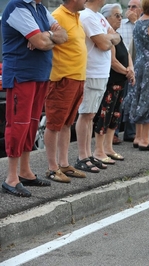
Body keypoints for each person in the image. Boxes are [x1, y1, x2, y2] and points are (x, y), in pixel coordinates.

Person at [1, 0, 67, 197]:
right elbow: (39, 42)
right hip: (22, 74)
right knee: (18, 124)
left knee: (32, 123)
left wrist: (47, 35)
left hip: (39, 74)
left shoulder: (40, 9)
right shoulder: (17, 7)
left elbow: (64, 35)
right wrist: (45, 37)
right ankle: (11, 178)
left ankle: (25, 171)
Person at [44, 0, 88, 183]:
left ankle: (63, 164)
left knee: (67, 123)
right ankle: (52, 168)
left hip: (77, 78)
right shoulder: (57, 16)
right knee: (54, 124)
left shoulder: (76, 16)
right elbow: (47, 41)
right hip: (62, 79)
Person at [74, 0, 121, 173]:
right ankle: (82, 156)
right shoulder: (87, 16)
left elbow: (115, 37)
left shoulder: (99, 16)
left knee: (91, 115)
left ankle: (88, 155)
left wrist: (108, 38)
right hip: (91, 71)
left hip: (101, 73)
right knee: (86, 114)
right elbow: (104, 43)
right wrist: (108, 38)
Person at [92, 3, 135, 162]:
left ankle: (109, 148)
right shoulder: (106, 36)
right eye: (117, 15)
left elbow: (127, 53)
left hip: (121, 82)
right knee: (105, 114)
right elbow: (113, 61)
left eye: (120, 15)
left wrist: (131, 68)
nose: (120, 18)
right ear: (106, 18)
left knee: (115, 115)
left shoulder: (117, 35)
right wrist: (127, 71)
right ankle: (99, 150)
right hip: (111, 81)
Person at [122, 0, 149, 151]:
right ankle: (145, 140)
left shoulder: (138, 22)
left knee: (139, 97)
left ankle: (138, 137)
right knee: (148, 98)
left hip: (139, 63)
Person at [114, 0, 142, 144]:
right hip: (120, 68)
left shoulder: (143, 25)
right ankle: (114, 132)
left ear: (141, 10)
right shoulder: (121, 24)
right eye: (129, 7)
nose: (130, 9)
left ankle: (131, 133)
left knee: (134, 100)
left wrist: (136, 22)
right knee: (118, 100)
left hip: (137, 68)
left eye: (134, 7)